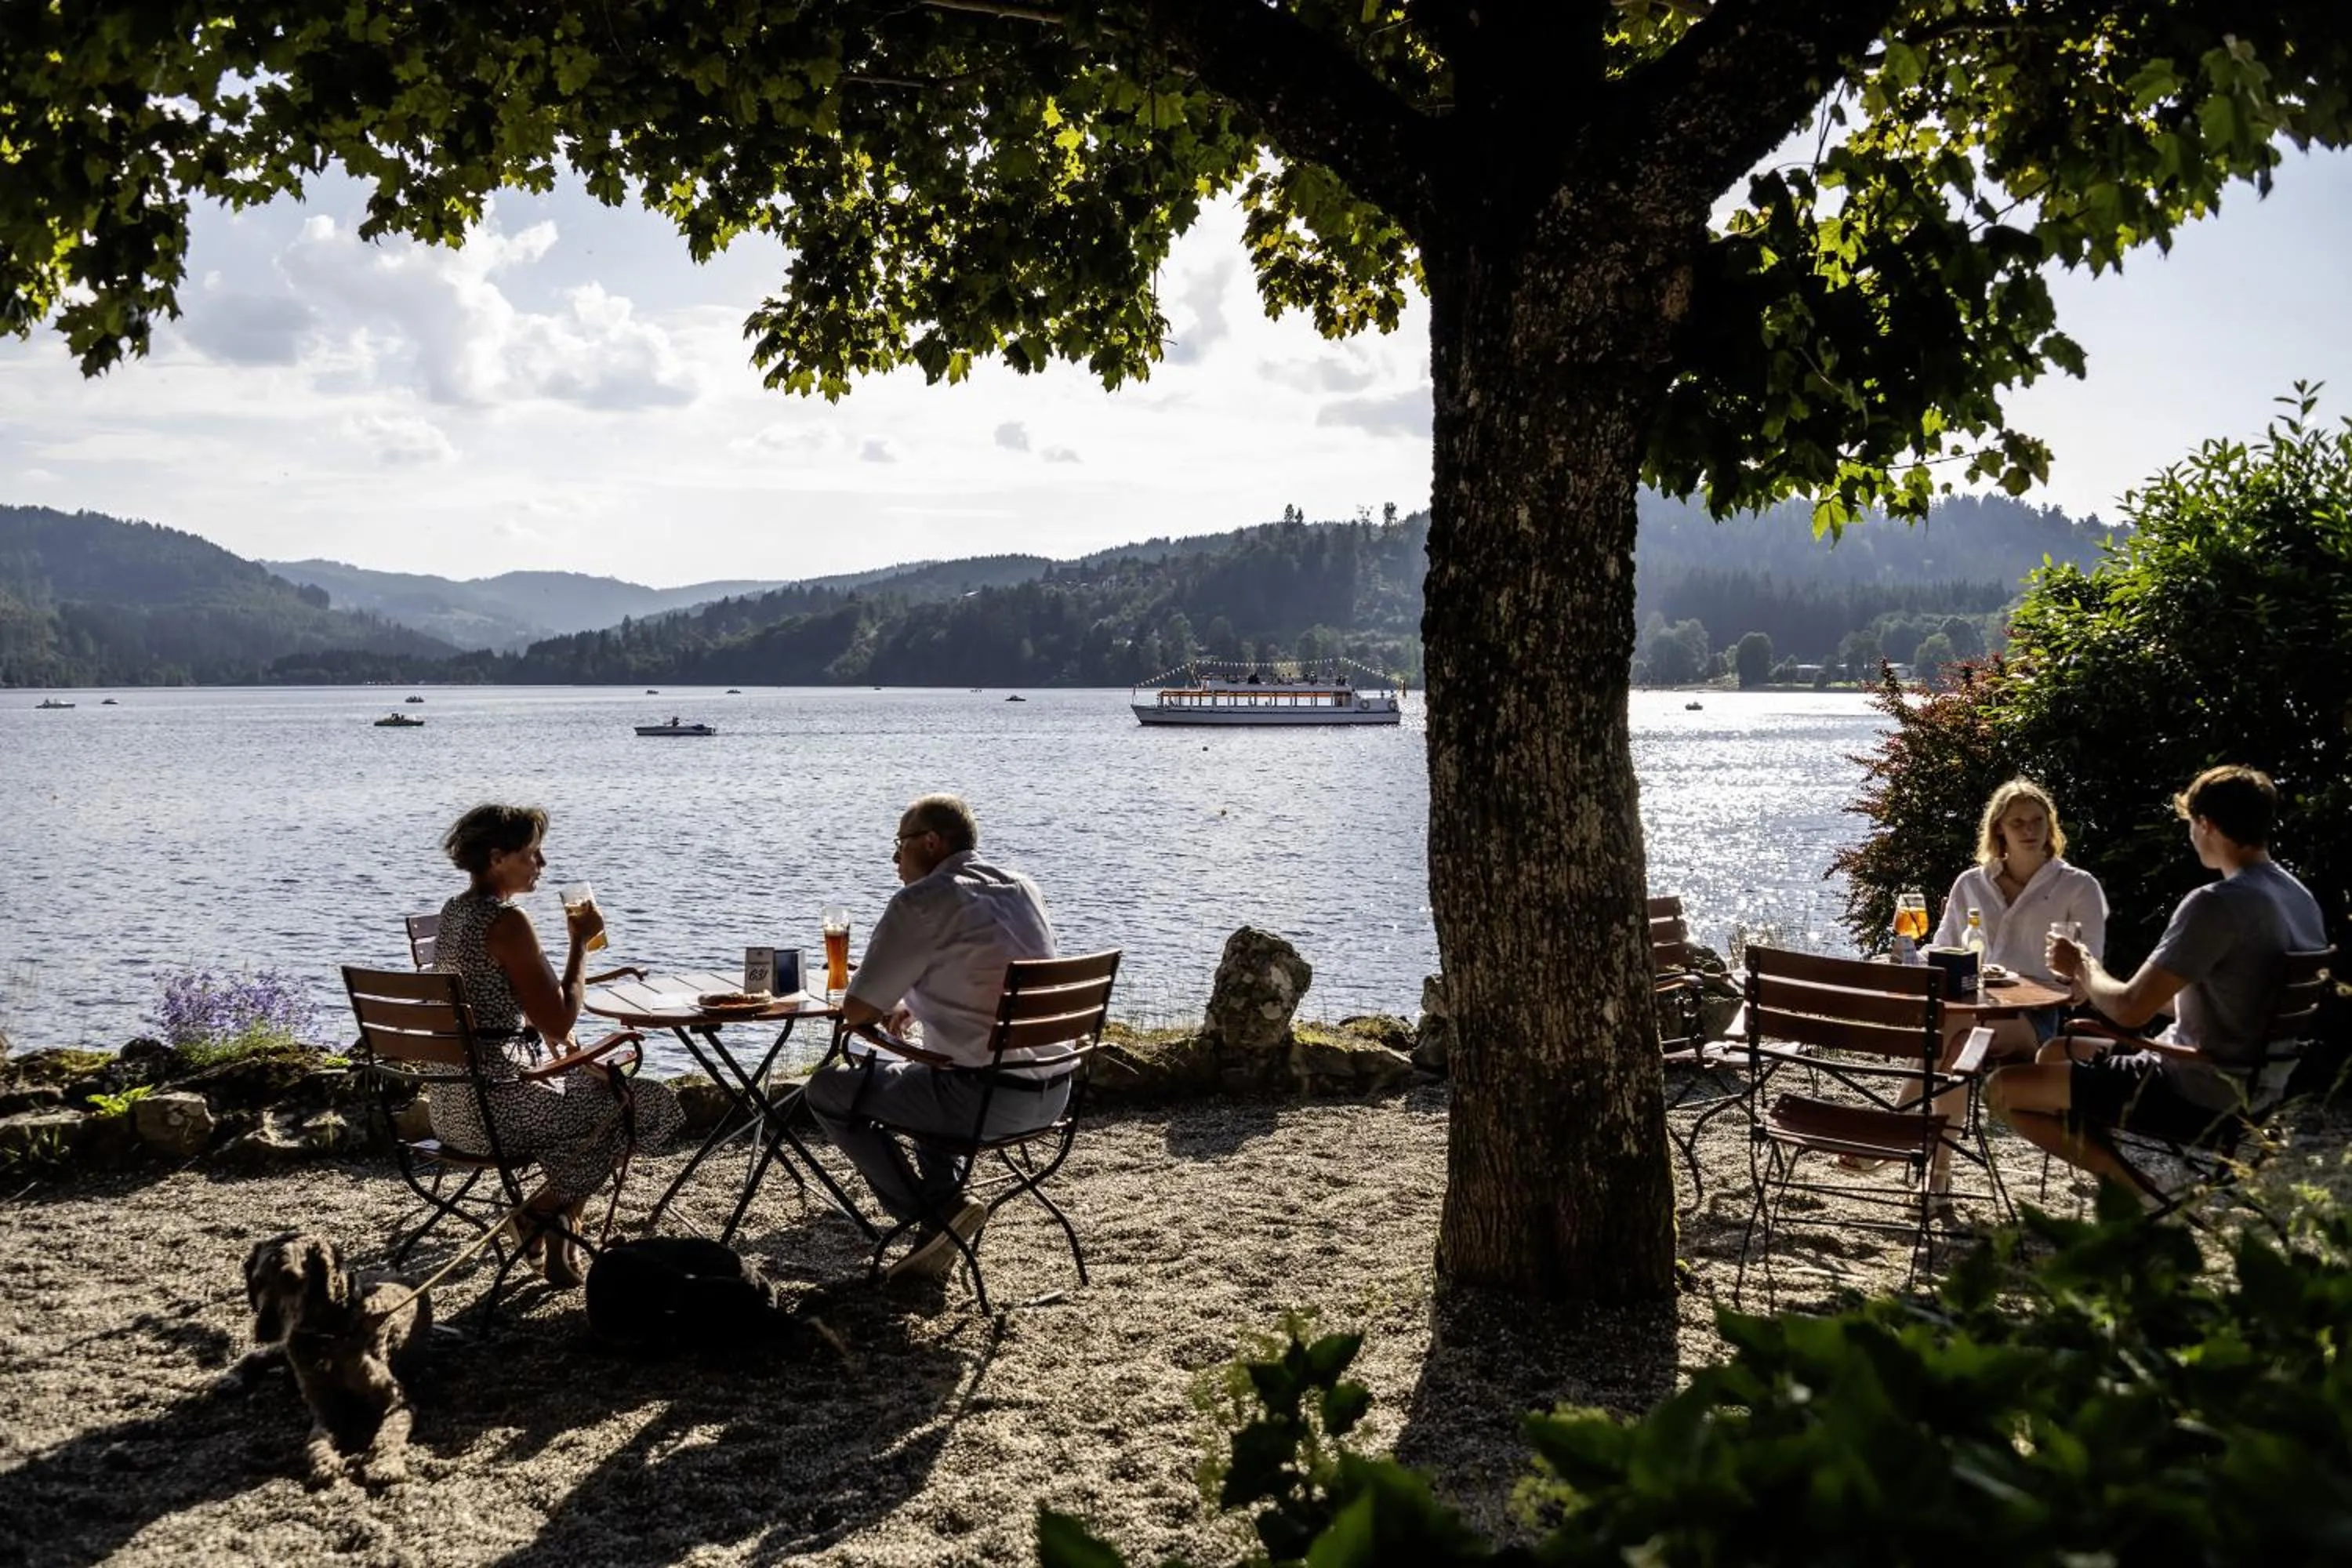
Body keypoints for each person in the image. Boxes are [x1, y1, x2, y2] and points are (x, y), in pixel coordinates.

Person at [1986, 766, 2326, 1191]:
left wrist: (2082, 967)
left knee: (2001, 1089)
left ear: (2206, 825)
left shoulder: (2216, 904)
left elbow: (2129, 1011)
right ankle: (2120, 1178)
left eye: (2190, 825)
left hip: (2193, 1089)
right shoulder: (2298, 897)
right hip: (2259, 1088)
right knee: (2055, 1050)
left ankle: (2132, 1190)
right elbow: (2227, 997)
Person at [803, 793, 1062, 1279]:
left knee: (828, 1090)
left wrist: (879, 997)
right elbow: (984, 972)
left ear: (930, 842)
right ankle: (946, 1208)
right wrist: (909, 1000)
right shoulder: (1023, 887)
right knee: (931, 1067)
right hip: (1054, 1094)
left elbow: (856, 1011)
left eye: (899, 845)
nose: (895, 859)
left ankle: (931, 1215)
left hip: (983, 1099)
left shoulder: (921, 901)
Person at [429, 803, 683, 1287]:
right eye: (531, 854)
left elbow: (519, 1002)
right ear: (498, 857)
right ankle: (539, 1213)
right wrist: (579, 944)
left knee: (596, 1099)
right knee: (640, 1102)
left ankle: (561, 1229)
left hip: (451, 1107)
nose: (541, 865)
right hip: (498, 1113)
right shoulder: (507, 921)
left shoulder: (455, 911)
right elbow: (562, 1018)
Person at [1933, 776, 2108, 1042]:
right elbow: (1944, 951)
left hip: (2034, 1014)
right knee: (1947, 1029)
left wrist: (2075, 982)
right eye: (2018, 823)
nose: (2030, 830)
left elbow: (2090, 968)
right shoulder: (1970, 884)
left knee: (1954, 1032)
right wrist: (1902, 961)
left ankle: (1938, 1083)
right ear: (1999, 828)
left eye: (2038, 820)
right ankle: (1949, 1082)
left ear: (2049, 824)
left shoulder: (2078, 886)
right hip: (1974, 1004)